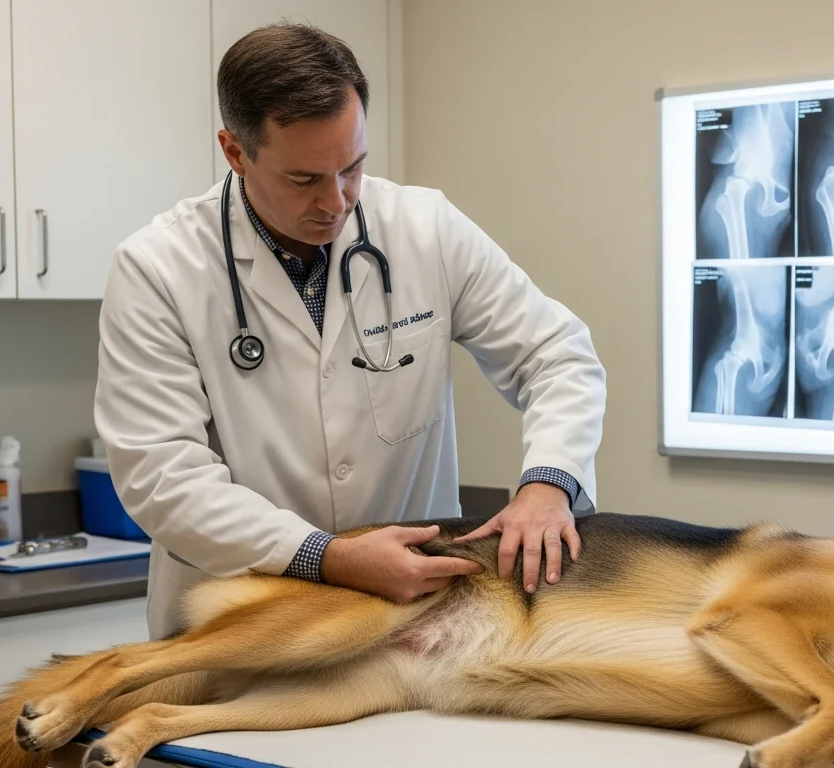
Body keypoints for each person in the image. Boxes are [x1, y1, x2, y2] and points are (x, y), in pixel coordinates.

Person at [93, 22, 606, 640]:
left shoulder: (425, 229)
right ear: (235, 152)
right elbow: (163, 477)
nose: (337, 202)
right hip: (236, 621)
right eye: (304, 180)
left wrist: (548, 483)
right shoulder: (158, 267)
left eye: (353, 167)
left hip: (410, 623)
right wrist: (325, 557)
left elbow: (556, 354)